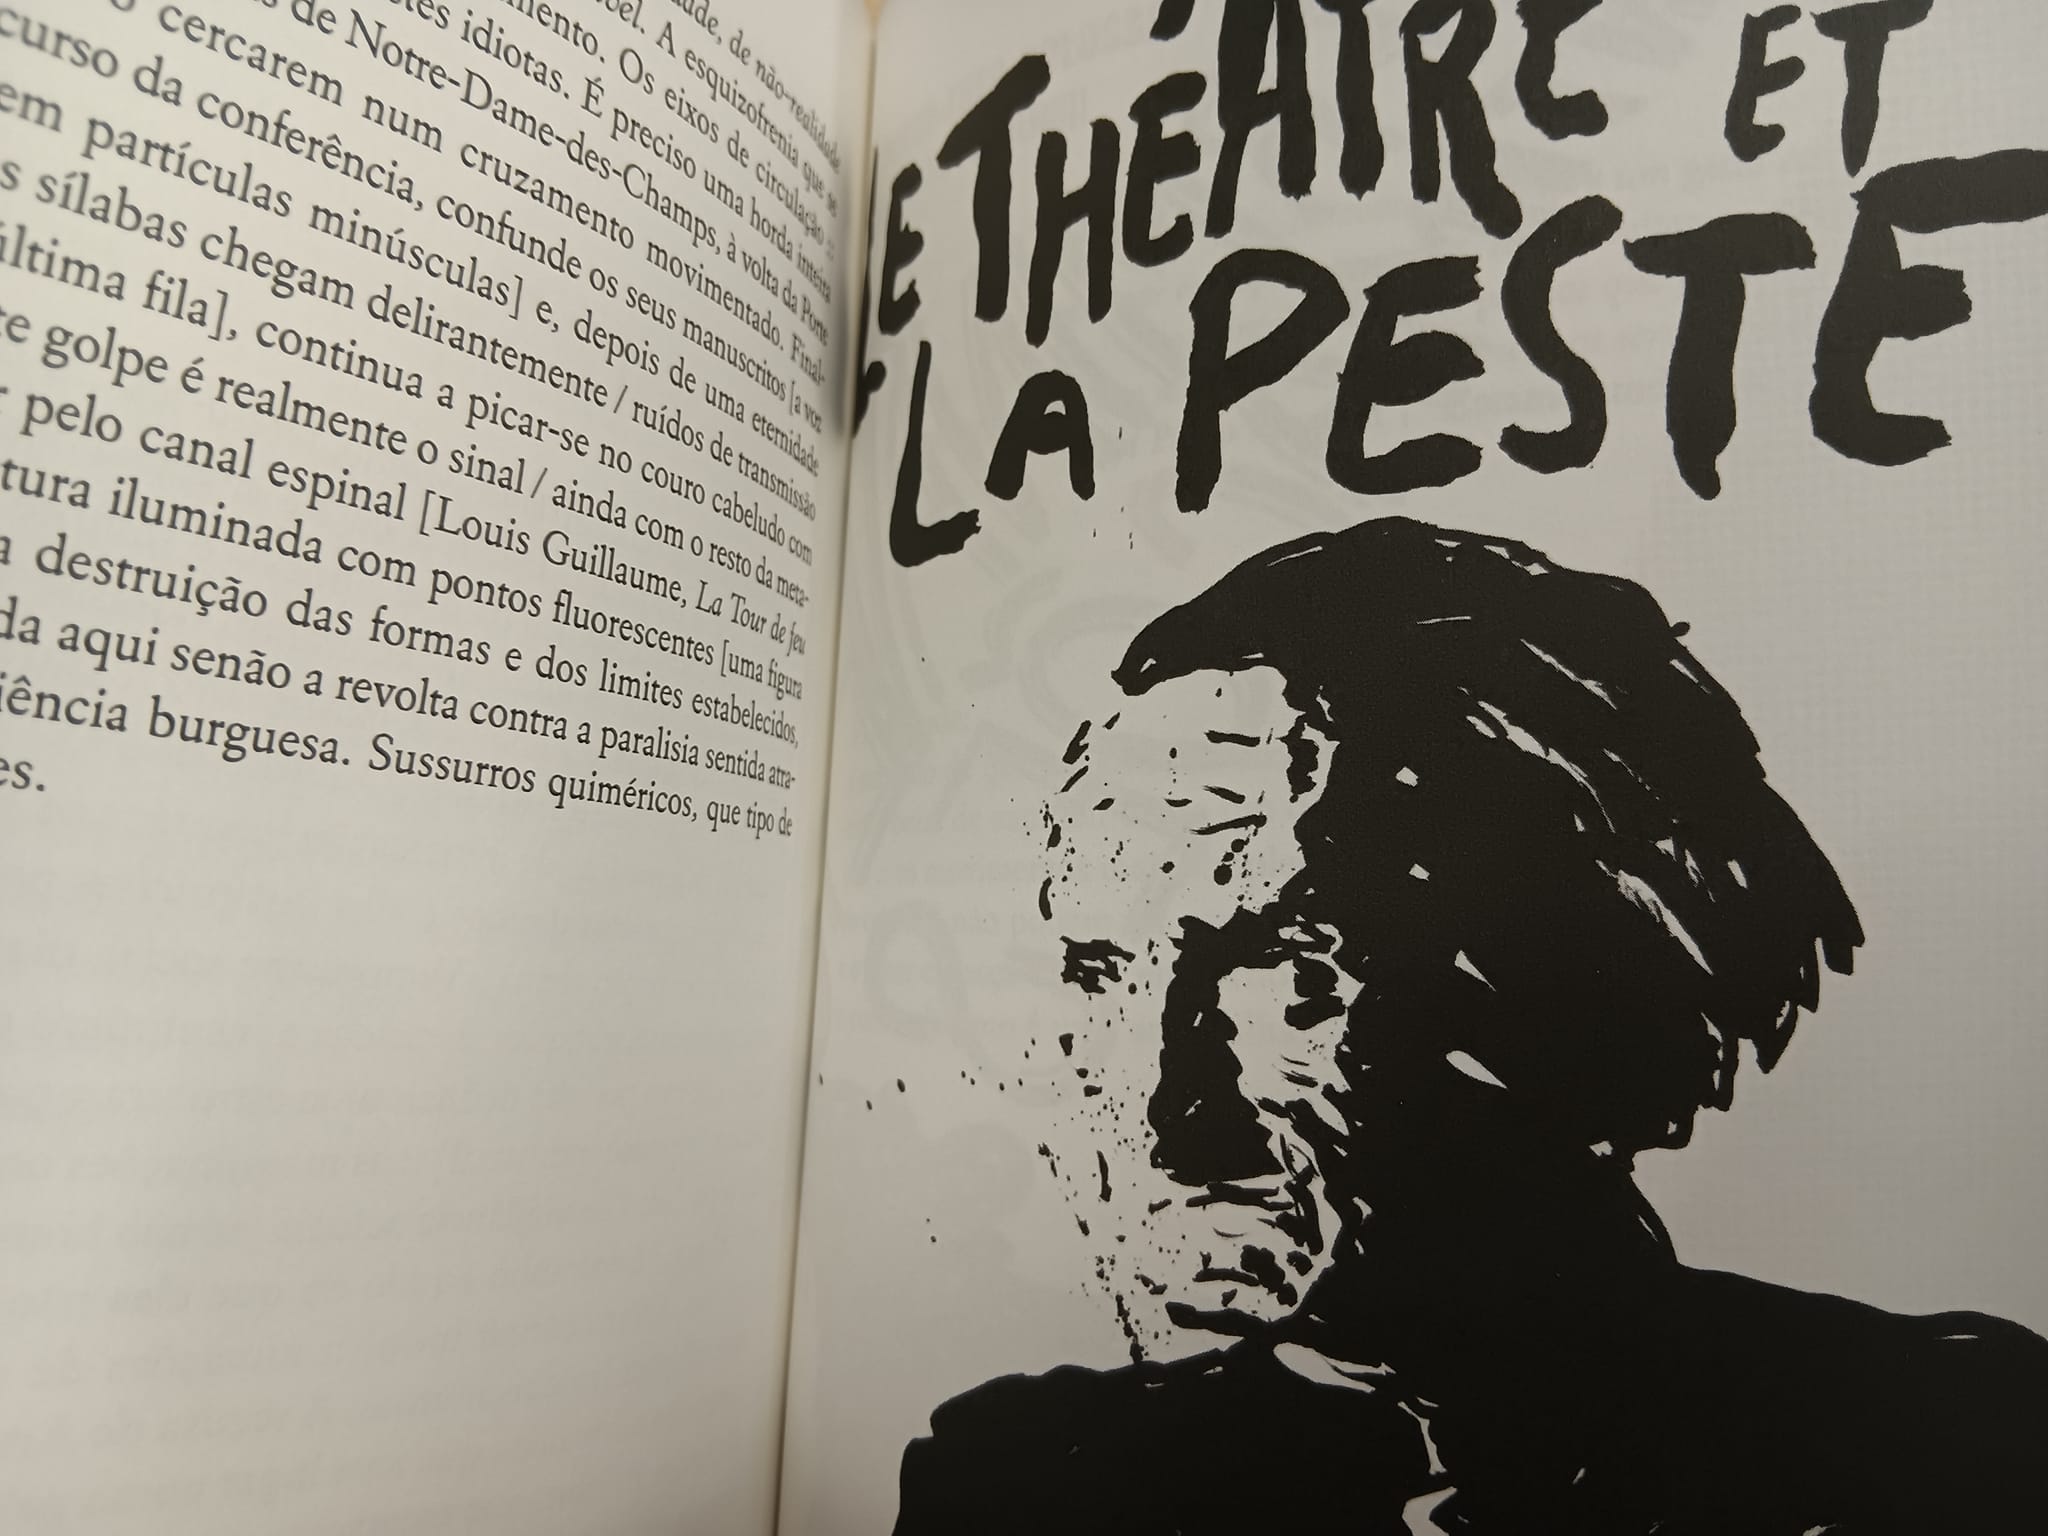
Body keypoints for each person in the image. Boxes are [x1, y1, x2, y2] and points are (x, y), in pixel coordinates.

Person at [894, 516, 2048, 1535]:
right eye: (1098, 970)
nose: (1161, 1103)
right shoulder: (1018, 1484)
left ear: (1567, 995)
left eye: (1289, 970)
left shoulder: (1931, 1441)